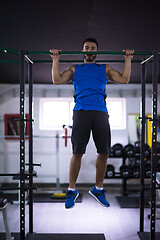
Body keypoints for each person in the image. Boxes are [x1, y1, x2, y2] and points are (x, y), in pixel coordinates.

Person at [50, 38, 134, 209]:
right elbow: (57, 80)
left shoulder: (104, 69)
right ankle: (71, 190)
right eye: (86, 48)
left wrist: (128, 60)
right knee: (77, 152)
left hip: (101, 112)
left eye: (92, 48)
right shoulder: (75, 68)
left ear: (96, 52)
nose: (89, 50)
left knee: (104, 152)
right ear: (83, 51)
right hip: (81, 112)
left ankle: (98, 188)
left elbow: (124, 80)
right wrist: (55, 60)